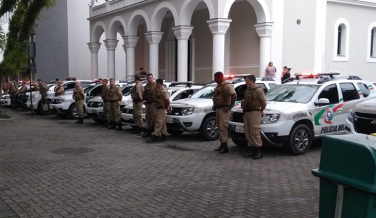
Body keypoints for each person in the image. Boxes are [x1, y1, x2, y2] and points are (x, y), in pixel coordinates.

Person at [242, 75, 267, 159]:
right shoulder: (248, 90)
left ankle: (258, 151)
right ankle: (251, 150)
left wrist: (260, 111)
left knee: (255, 131)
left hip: (255, 112)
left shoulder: (258, 90)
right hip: (247, 112)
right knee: (248, 132)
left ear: (251, 80)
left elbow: (263, 102)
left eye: (247, 80)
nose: (246, 82)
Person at [213, 72, 237, 154]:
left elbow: (234, 95)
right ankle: (222, 144)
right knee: (219, 127)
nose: (215, 80)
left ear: (220, 77)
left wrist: (230, 107)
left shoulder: (227, 86)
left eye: (215, 78)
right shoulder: (218, 86)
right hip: (218, 108)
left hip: (224, 109)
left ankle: (225, 146)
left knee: (223, 127)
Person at [141, 73, 156, 138]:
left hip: (153, 104)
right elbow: (143, 94)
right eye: (148, 78)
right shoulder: (146, 86)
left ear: (152, 78)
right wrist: (143, 100)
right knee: (148, 118)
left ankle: (155, 132)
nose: (149, 79)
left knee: (154, 118)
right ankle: (149, 131)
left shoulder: (155, 85)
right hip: (148, 103)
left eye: (150, 78)